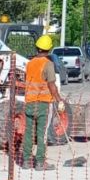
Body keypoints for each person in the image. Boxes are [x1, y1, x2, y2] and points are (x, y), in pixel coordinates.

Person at [22, 35, 65, 171]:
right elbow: (52, 85)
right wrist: (59, 100)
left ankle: (26, 161)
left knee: (28, 132)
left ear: (37, 47)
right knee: (42, 134)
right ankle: (40, 163)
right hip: (43, 104)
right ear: (49, 49)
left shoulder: (29, 63)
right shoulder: (48, 64)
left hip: (29, 102)